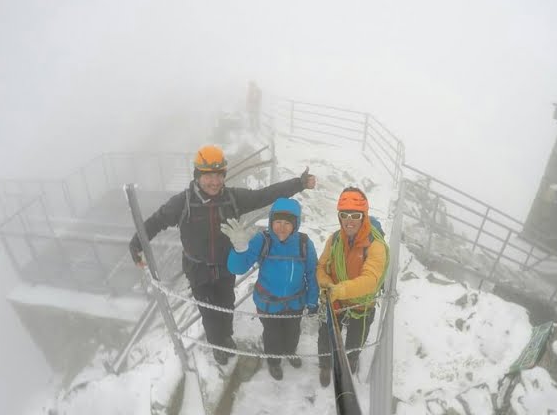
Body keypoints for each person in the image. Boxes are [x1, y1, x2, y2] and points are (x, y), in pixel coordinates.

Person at [129, 145, 316, 365]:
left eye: (219, 176)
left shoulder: (233, 198)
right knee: (208, 312)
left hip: (226, 265)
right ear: (198, 176)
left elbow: (264, 195)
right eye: (209, 176)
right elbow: (156, 221)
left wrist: (299, 183)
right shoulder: (183, 203)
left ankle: (226, 336)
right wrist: (136, 244)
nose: (215, 182)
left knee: (226, 304)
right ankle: (217, 344)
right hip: (197, 268)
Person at [223, 198, 319, 380]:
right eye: (277, 222)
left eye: (287, 223)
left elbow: (311, 274)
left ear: (295, 224)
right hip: (268, 304)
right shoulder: (263, 240)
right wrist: (240, 249)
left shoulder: (304, 244)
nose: (281, 227)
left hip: (295, 303)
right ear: (271, 222)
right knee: (272, 335)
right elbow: (238, 268)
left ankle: (290, 352)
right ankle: (274, 361)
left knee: (292, 332)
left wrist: (313, 300)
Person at [316, 187, 389, 387]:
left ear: (364, 216)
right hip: (335, 298)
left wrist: (339, 290)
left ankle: (351, 361)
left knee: (356, 340)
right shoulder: (336, 239)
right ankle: (325, 364)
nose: (349, 220)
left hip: (360, 303)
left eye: (355, 215)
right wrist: (327, 285)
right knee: (326, 334)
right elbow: (321, 267)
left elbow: (370, 280)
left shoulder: (376, 246)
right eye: (344, 215)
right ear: (339, 216)